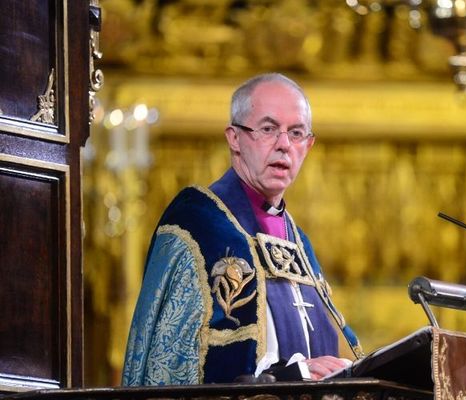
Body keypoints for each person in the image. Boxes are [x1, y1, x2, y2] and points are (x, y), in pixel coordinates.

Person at [122, 73, 363, 386]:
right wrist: (294, 375)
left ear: (309, 145)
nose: (284, 145)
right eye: (268, 129)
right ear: (234, 138)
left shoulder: (297, 241)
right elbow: (177, 363)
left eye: (297, 133)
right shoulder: (197, 223)